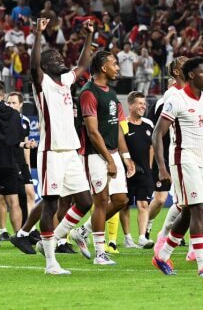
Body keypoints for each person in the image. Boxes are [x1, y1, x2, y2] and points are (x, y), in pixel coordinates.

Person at [152, 57, 203, 277]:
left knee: (189, 212)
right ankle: (202, 265)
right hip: (183, 159)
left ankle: (162, 255)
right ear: (190, 75)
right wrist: (161, 166)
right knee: (198, 208)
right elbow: (157, 133)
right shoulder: (176, 99)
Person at [29, 18, 94, 275]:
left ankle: (53, 239)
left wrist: (89, 35)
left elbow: (83, 64)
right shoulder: (41, 82)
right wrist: (38, 34)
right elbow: (34, 65)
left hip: (71, 151)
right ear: (45, 66)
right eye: (53, 57)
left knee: (85, 201)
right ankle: (50, 263)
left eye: (58, 55)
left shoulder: (66, 81)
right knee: (51, 205)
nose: (59, 58)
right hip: (51, 151)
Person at [71, 50, 136, 265]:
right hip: (95, 154)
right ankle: (100, 253)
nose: (118, 68)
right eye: (114, 64)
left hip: (113, 153)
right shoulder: (88, 93)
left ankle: (83, 231)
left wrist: (125, 156)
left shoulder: (111, 92)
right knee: (101, 201)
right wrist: (108, 159)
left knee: (121, 200)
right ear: (103, 67)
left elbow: (116, 127)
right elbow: (92, 132)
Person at [147, 57, 187, 246]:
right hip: (174, 153)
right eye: (184, 64)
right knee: (171, 199)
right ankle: (151, 231)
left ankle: (170, 236)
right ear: (176, 72)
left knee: (185, 200)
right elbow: (158, 132)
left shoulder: (190, 93)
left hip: (189, 153)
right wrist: (159, 161)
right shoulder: (171, 97)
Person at [0, 82, 35, 247]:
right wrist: (25, 145)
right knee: (13, 202)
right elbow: (17, 141)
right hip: (9, 162)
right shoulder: (14, 115)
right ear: (3, 96)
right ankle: (19, 237)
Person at [120, 91, 154, 249]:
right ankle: (128, 238)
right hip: (126, 173)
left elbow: (152, 148)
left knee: (143, 205)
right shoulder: (123, 125)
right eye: (140, 103)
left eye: (144, 103)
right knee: (125, 204)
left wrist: (149, 167)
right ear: (131, 105)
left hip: (144, 173)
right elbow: (119, 148)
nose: (143, 106)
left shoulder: (148, 125)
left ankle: (142, 237)